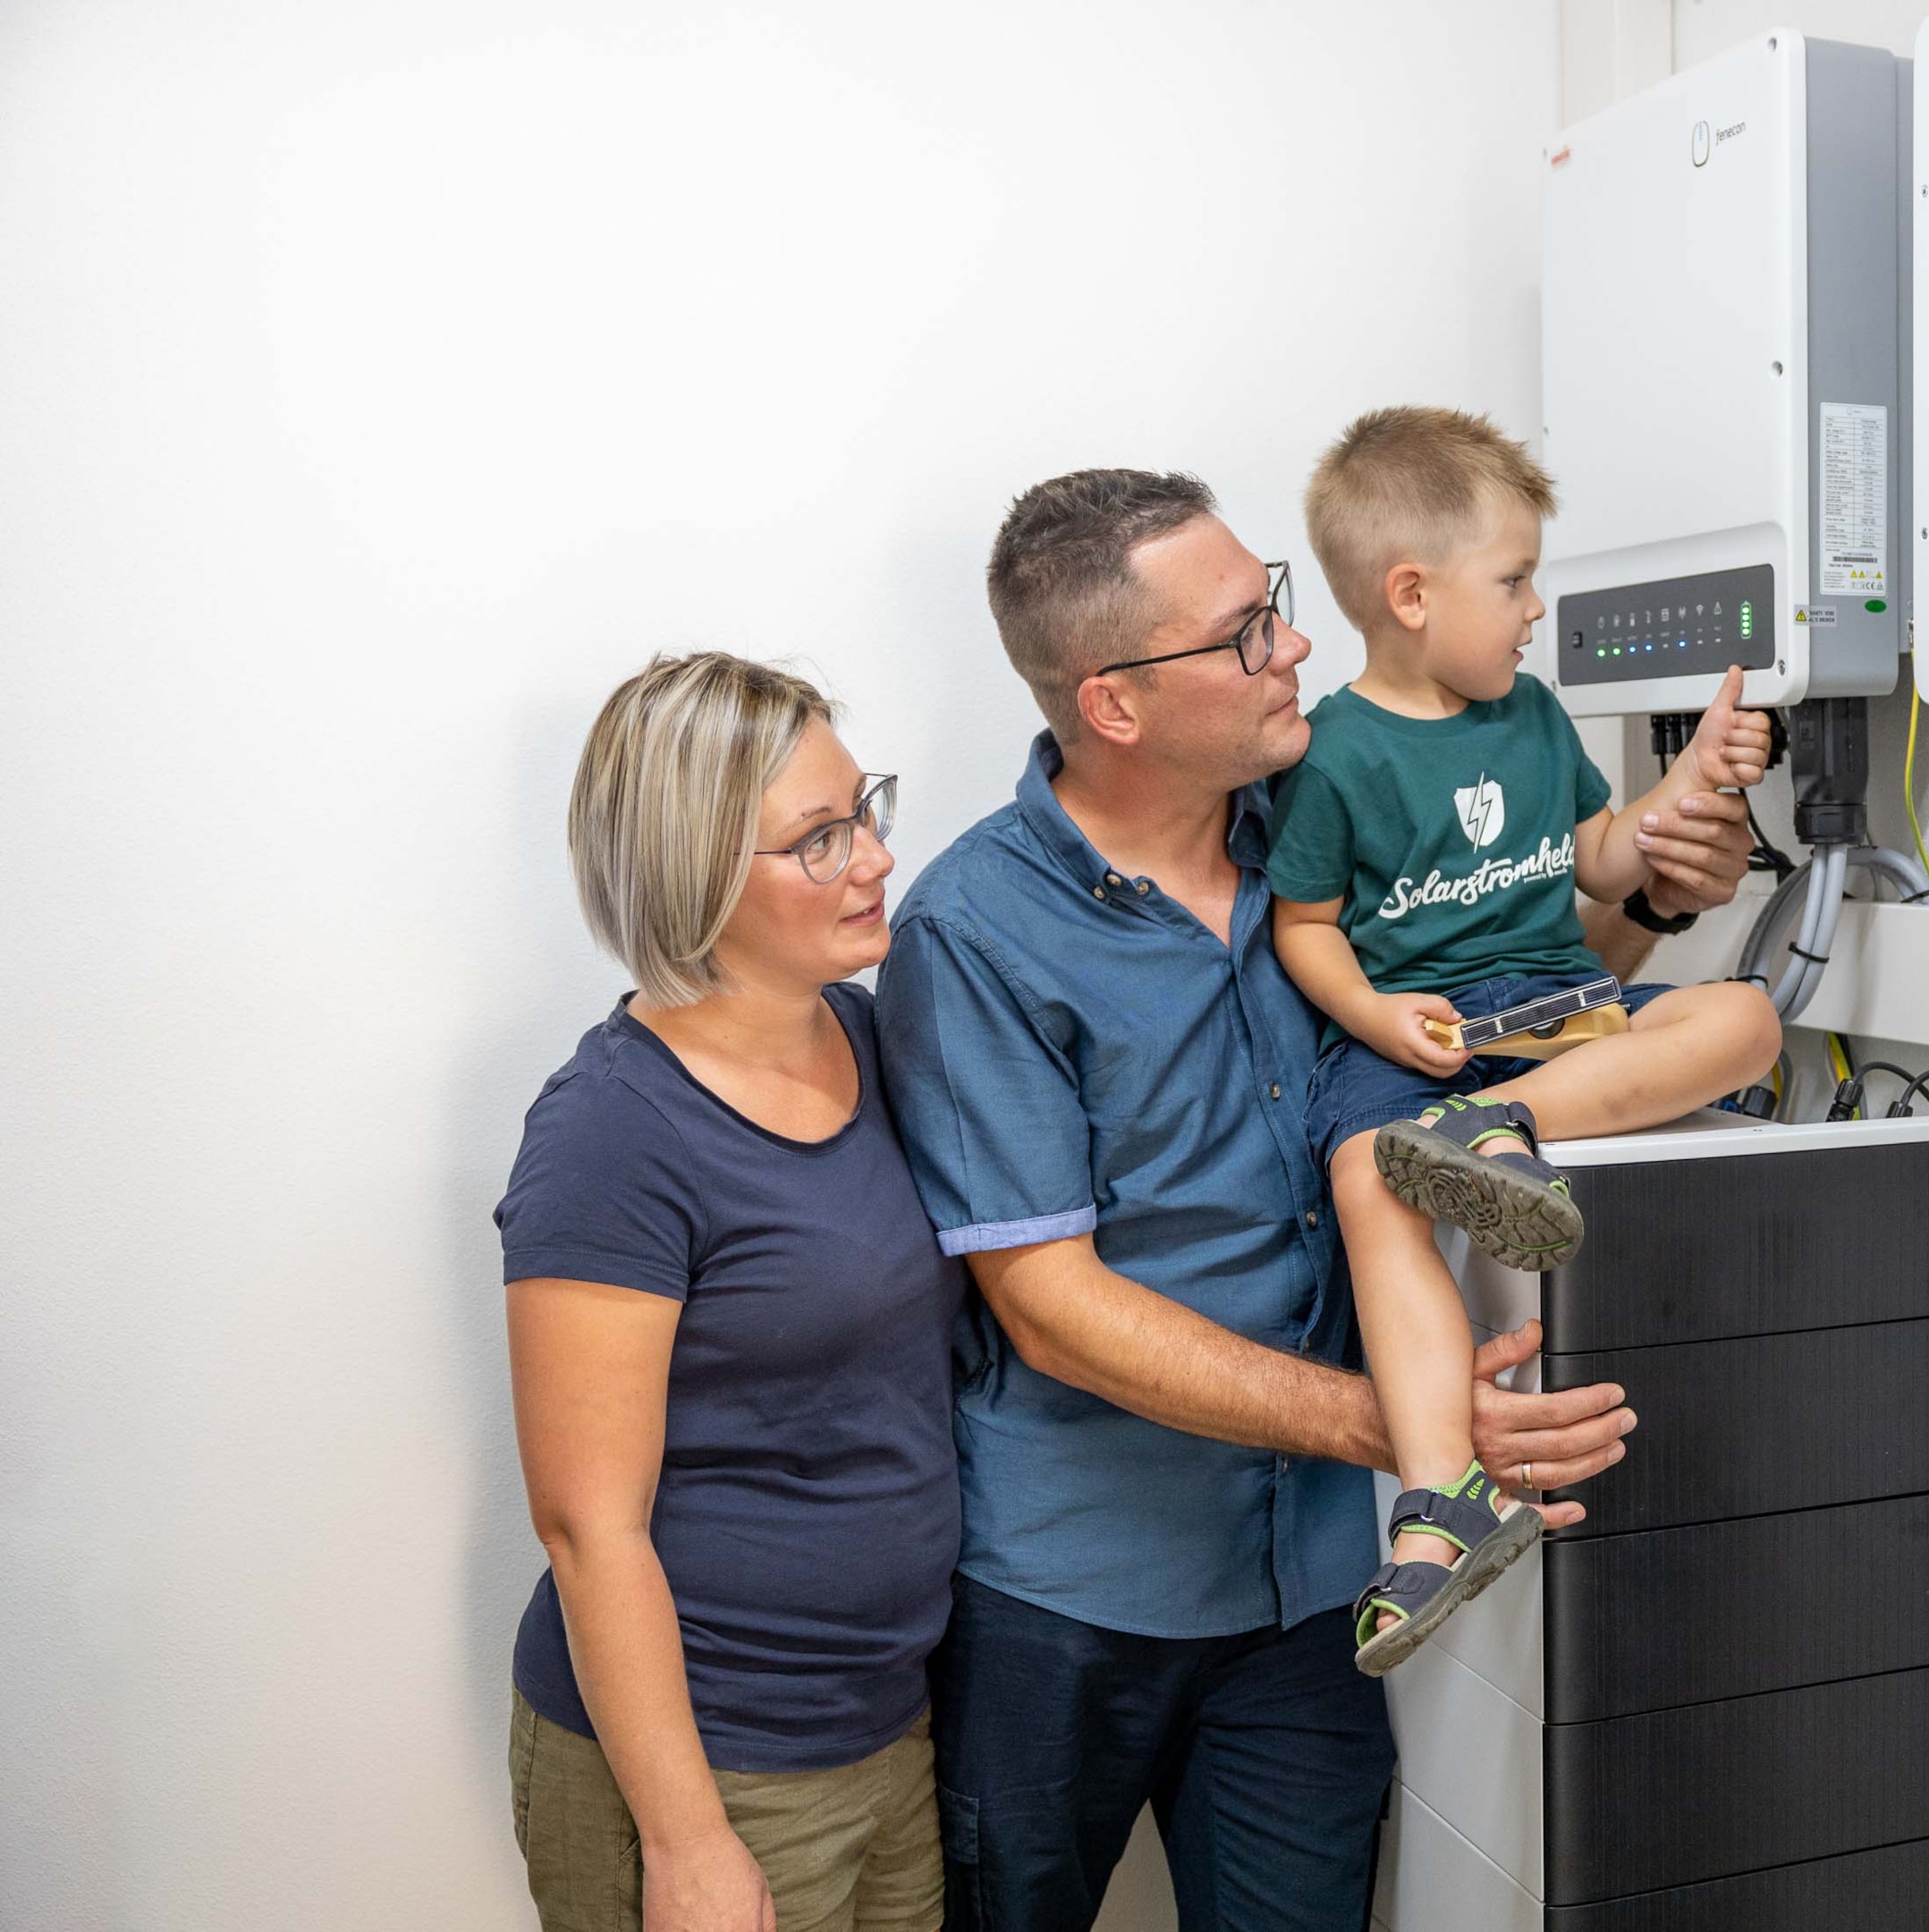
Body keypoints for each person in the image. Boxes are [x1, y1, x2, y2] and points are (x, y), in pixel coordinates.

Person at [874, 467, 1755, 1932]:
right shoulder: (974, 934)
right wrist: (1411, 1435)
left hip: (1313, 1599)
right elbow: (1056, 1315)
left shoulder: (1323, 811)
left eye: (1272, 601)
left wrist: (1655, 895)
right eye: (1245, 632)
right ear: (1114, 703)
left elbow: (1508, 980)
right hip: (1072, 1600)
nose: (1292, 646)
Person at [1269, 407, 1782, 1674]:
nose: (1536, 609)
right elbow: (1305, 925)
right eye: (1513, 582)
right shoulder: (1335, 754)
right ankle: (1437, 1508)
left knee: (1749, 1018)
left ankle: (1498, 1135)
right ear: (1411, 594)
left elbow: (1603, 861)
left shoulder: (1535, 715)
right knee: (1363, 1176)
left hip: (1562, 1019)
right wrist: (1375, 1014)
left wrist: (1692, 788)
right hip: (1422, 1042)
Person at [500, 653, 964, 1932]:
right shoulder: (612, 1133)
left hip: (882, 1727)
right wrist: (689, 1842)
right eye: (818, 840)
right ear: (692, 875)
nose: (872, 857)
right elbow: (588, 1524)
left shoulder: (870, 1040)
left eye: (861, 809)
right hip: (707, 1768)